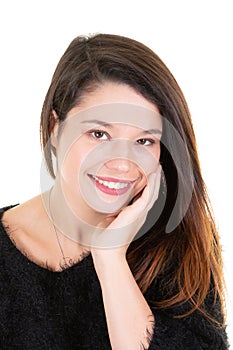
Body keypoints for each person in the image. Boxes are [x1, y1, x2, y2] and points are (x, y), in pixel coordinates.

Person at [0, 33, 229, 350]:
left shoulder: (178, 246)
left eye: (144, 140)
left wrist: (110, 259)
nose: (122, 163)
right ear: (55, 129)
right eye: (99, 133)